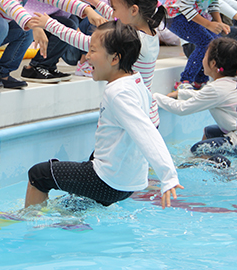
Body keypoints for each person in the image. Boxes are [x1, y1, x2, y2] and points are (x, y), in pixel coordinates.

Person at [24, 21, 182, 209]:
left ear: (115, 58)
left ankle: (30, 224)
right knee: (75, 198)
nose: (87, 56)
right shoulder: (136, 82)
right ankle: (73, 219)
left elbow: (146, 132)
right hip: (127, 180)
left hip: (108, 181)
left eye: (92, 50)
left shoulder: (119, 93)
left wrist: (168, 175)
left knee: (39, 175)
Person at [32, 0, 165, 127]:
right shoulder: (149, 32)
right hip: (148, 114)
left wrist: (50, 24)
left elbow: (84, 41)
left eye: (114, 8)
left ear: (134, 10)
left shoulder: (131, 40)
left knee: (106, 149)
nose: (112, 12)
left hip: (132, 117)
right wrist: (98, 5)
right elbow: (120, 16)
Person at [153, 37, 237, 158]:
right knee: (210, 132)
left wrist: (154, 97)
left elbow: (182, 109)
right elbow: (205, 97)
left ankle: (217, 169)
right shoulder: (236, 82)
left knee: (198, 149)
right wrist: (180, 94)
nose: (203, 60)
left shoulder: (216, 88)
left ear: (213, 64)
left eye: (205, 56)